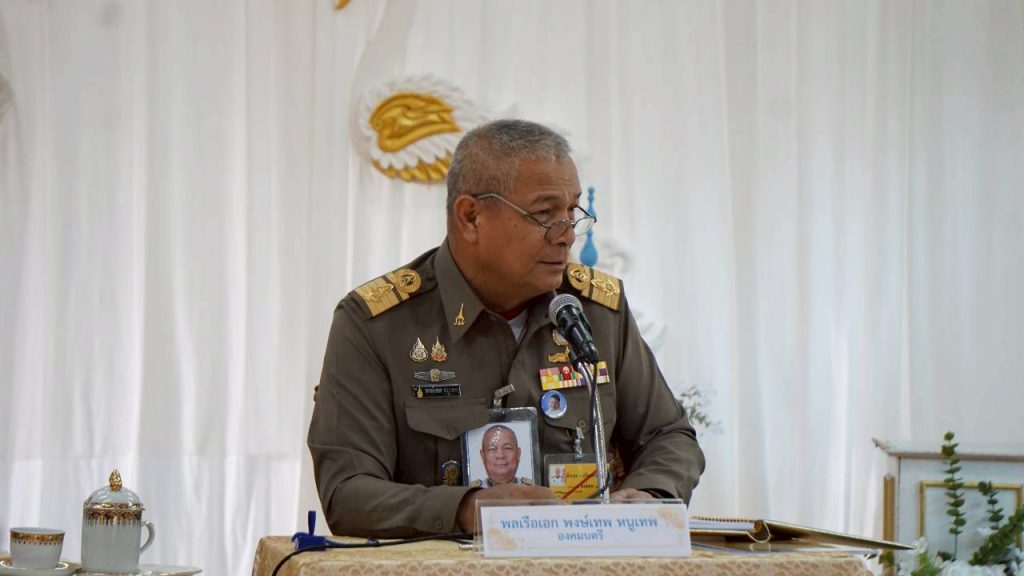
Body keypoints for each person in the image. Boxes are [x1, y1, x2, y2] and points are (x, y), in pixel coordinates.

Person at [308, 119, 705, 538]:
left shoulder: (596, 313)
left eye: (572, 212)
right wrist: (466, 510)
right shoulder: (376, 325)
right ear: (471, 217)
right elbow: (347, 492)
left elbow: (669, 436)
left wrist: (651, 495)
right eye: (544, 214)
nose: (567, 236)